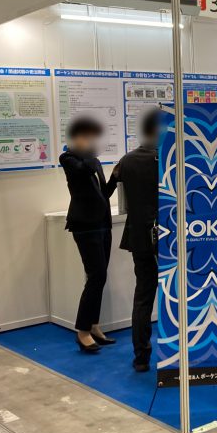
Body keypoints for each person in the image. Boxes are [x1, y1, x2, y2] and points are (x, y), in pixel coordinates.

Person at [109, 109, 160, 373]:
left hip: (139, 234)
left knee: (143, 295)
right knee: (177, 293)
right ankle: (182, 352)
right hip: (169, 234)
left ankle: (141, 356)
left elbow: (109, 190)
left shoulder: (126, 161)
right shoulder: (169, 159)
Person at [60, 116, 117, 353]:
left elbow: (104, 194)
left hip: (103, 224)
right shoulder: (69, 159)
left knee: (100, 277)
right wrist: (89, 153)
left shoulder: (92, 161)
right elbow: (84, 169)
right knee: (96, 276)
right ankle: (82, 331)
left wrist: (115, 177)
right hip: (85, 226)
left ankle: (94, 325)